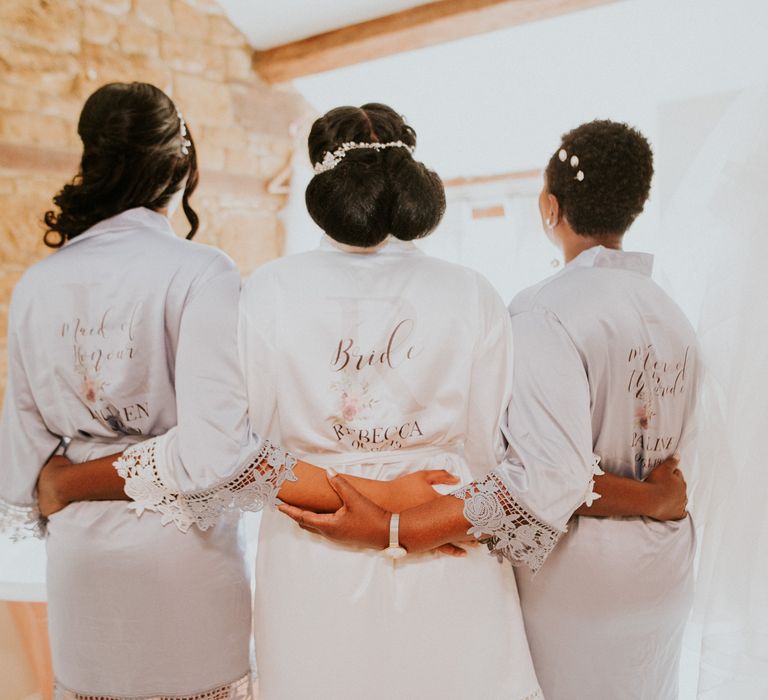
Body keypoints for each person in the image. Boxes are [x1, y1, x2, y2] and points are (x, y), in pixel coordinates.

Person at [0, 84, 451, 700]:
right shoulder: (199, 272)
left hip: (84, 578)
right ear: (181, 164)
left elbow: (23, 473)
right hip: (180, 567)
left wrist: (71, 479)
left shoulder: (36, 286)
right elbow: (215, 452)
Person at [281, 120, 696, 700]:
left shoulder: (546, 312)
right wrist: (654, 497)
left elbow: (549, 474)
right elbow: (673, 466)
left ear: (550, 208)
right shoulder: (674, 314)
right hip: (668, 568)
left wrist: (401, 525)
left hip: (582, 574)